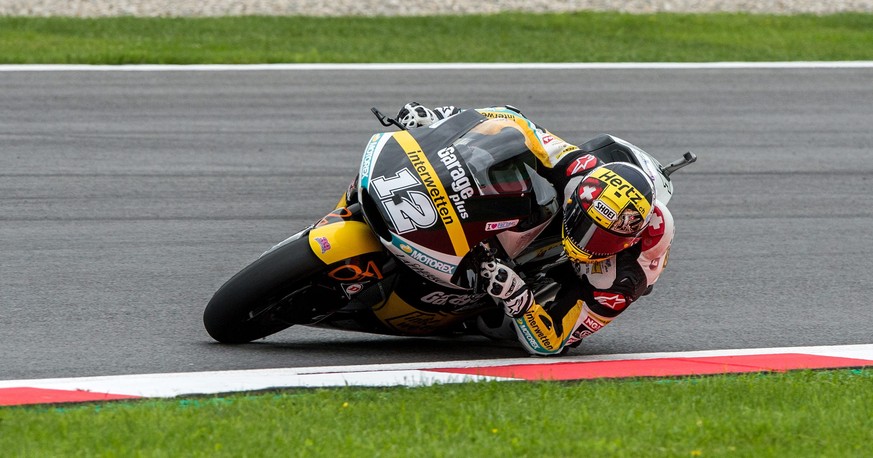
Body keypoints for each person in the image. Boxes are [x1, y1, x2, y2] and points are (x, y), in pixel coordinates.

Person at [395, 102, 675, 355]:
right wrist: (441, 119)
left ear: (630, 239)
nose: (587, 242)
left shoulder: (621, 281)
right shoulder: (580, 171)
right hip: (575, 202)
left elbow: (551, 341)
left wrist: (515, 295)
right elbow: (515, 120)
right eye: (586, 225)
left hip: (587, 280)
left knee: (493, 326)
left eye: (602, 238)